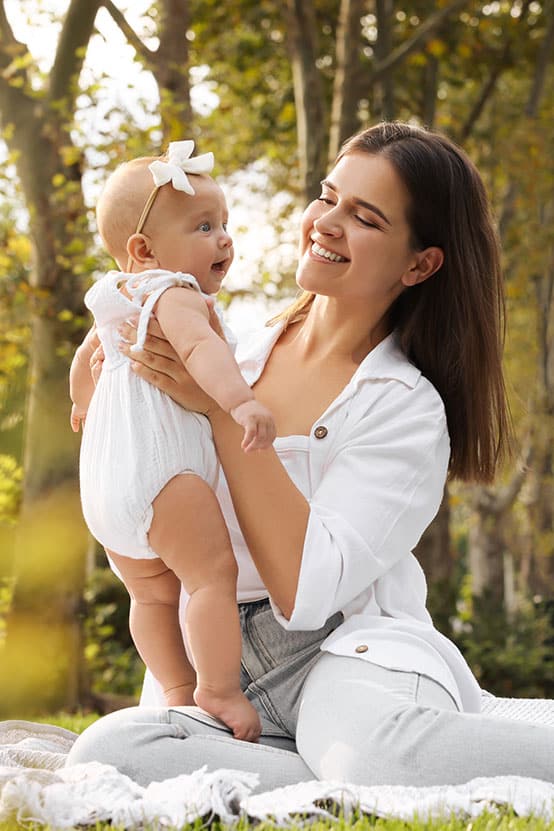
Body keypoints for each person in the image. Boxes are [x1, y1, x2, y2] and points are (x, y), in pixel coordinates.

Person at [66, 122, 553, 789]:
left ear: (419, 264)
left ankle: (339, 763)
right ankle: (315, 772)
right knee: (111, 750)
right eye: (328, 197)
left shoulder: (405, 407)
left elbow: (308, 587)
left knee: (376, 757)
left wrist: (216, 410)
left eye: (365, 218)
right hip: (219, 663)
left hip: (340, 651)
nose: (326, 222)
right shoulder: (227, 349)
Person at [70, 140, 277, 741]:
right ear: (145, 250)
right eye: (205, 226)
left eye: (226, 225)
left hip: (107, 485)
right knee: (211, 577)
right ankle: (218, 690)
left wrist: (83, 403)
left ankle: (177, 692)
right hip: (165, 472)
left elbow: (86, 362)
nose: (224, 240)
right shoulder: (176, 292)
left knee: (151, 598)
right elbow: (200, 350)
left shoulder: (111, 300)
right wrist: (239, 402)